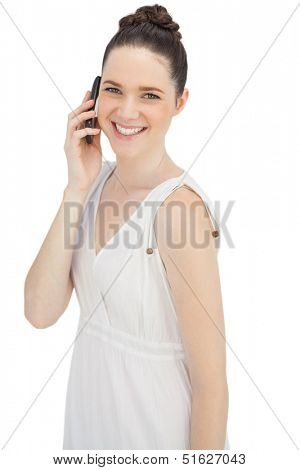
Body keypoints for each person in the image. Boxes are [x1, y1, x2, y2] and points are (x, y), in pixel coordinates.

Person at [24, 4, 230, 450]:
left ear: (180, 102)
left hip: (156, 439)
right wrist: (76, 186)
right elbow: (40, 313)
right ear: (94, 94)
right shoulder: (92, 185)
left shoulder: (179, 212)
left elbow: (212, 388)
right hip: (90, 428)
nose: (127, 111)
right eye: (114, 89)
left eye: (150, 95)